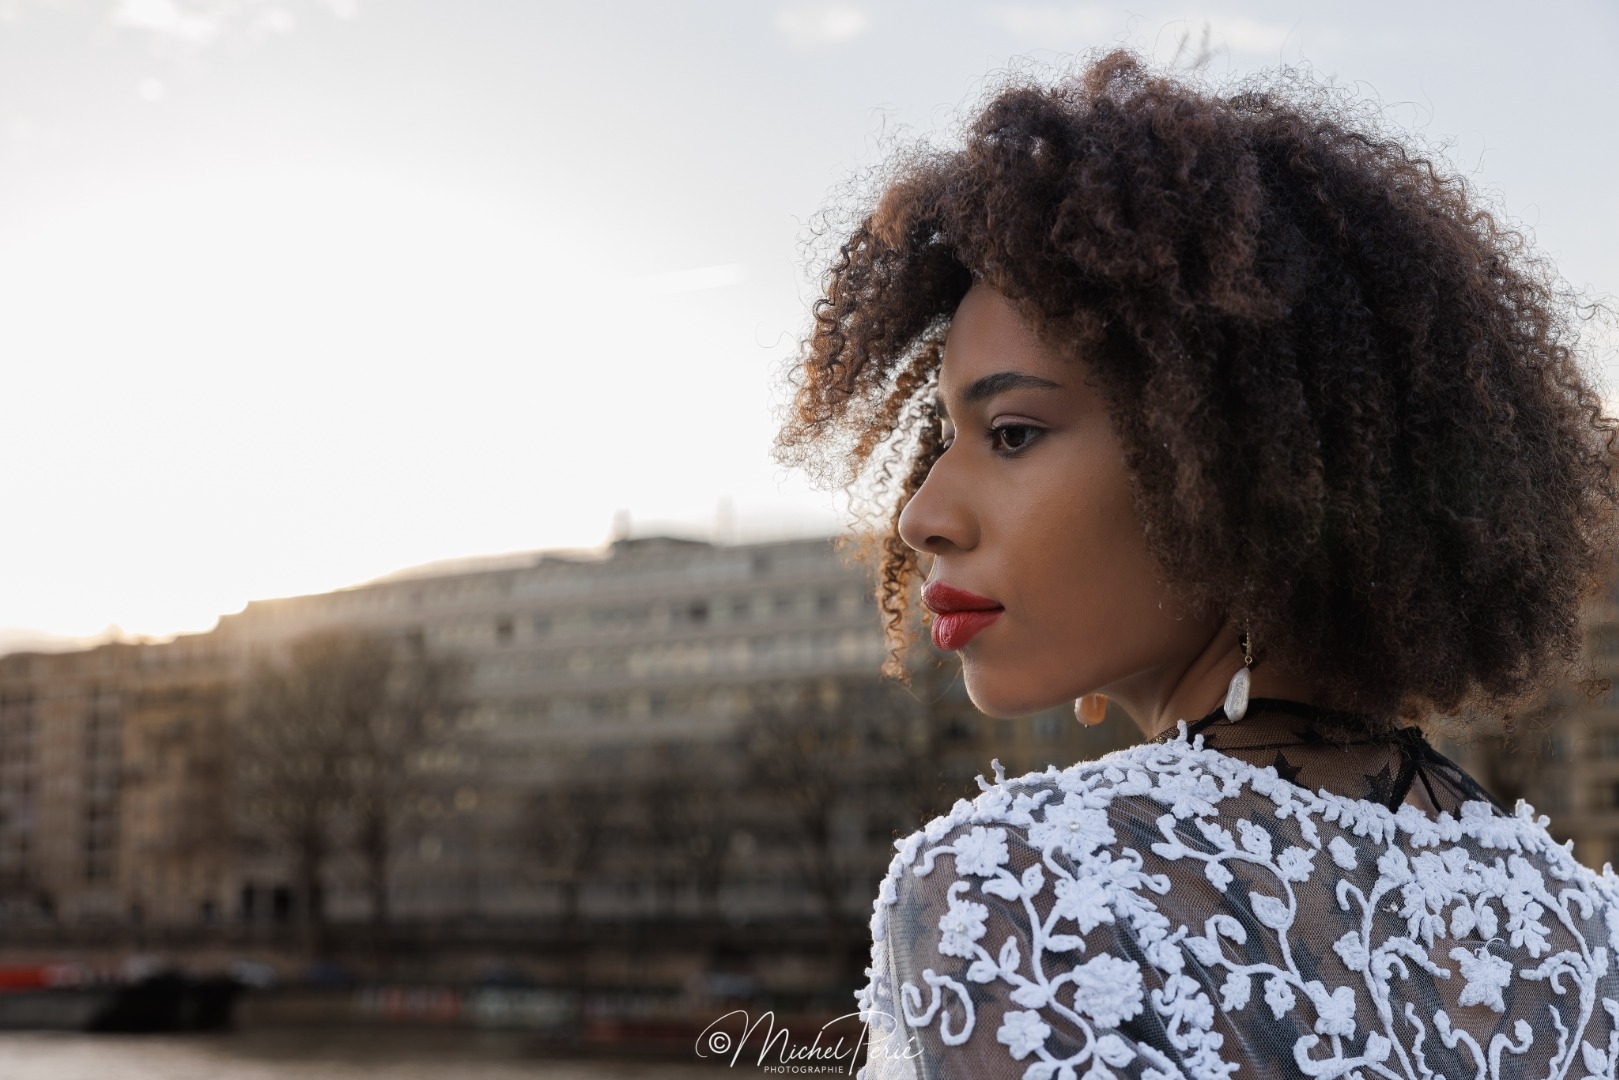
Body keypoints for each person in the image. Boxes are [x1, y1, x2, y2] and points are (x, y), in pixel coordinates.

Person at [775, 51, 1619, 1079]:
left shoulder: (1024, 893)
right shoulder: (1587, 934)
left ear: (1234, 469)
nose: (920, 516)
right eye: (942, 438)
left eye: (1010, 434)